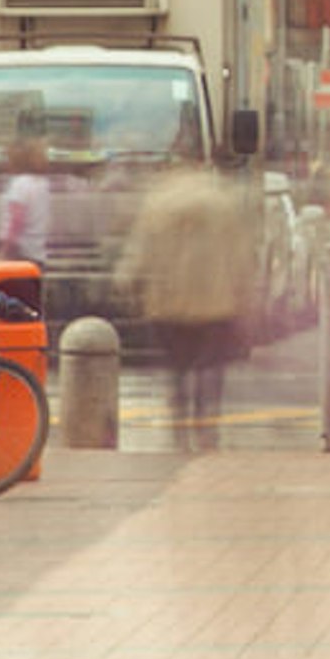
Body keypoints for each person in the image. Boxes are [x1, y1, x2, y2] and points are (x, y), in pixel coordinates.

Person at [129, 163, 258, 450]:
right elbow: (241, 256)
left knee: (176, 367)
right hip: (215, 300)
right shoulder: (223, 202)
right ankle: (206, 425)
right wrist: (246, 295)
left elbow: (140, 251)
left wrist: (128, 281)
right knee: (210, 364)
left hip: (167, 300)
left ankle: (179, 423)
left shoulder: (158, 202)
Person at [0, 137, 54, 268]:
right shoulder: (42, 183)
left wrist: (5, 250)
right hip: (37, 254)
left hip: (19, 255)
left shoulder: (20, 184)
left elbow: (16, 221)